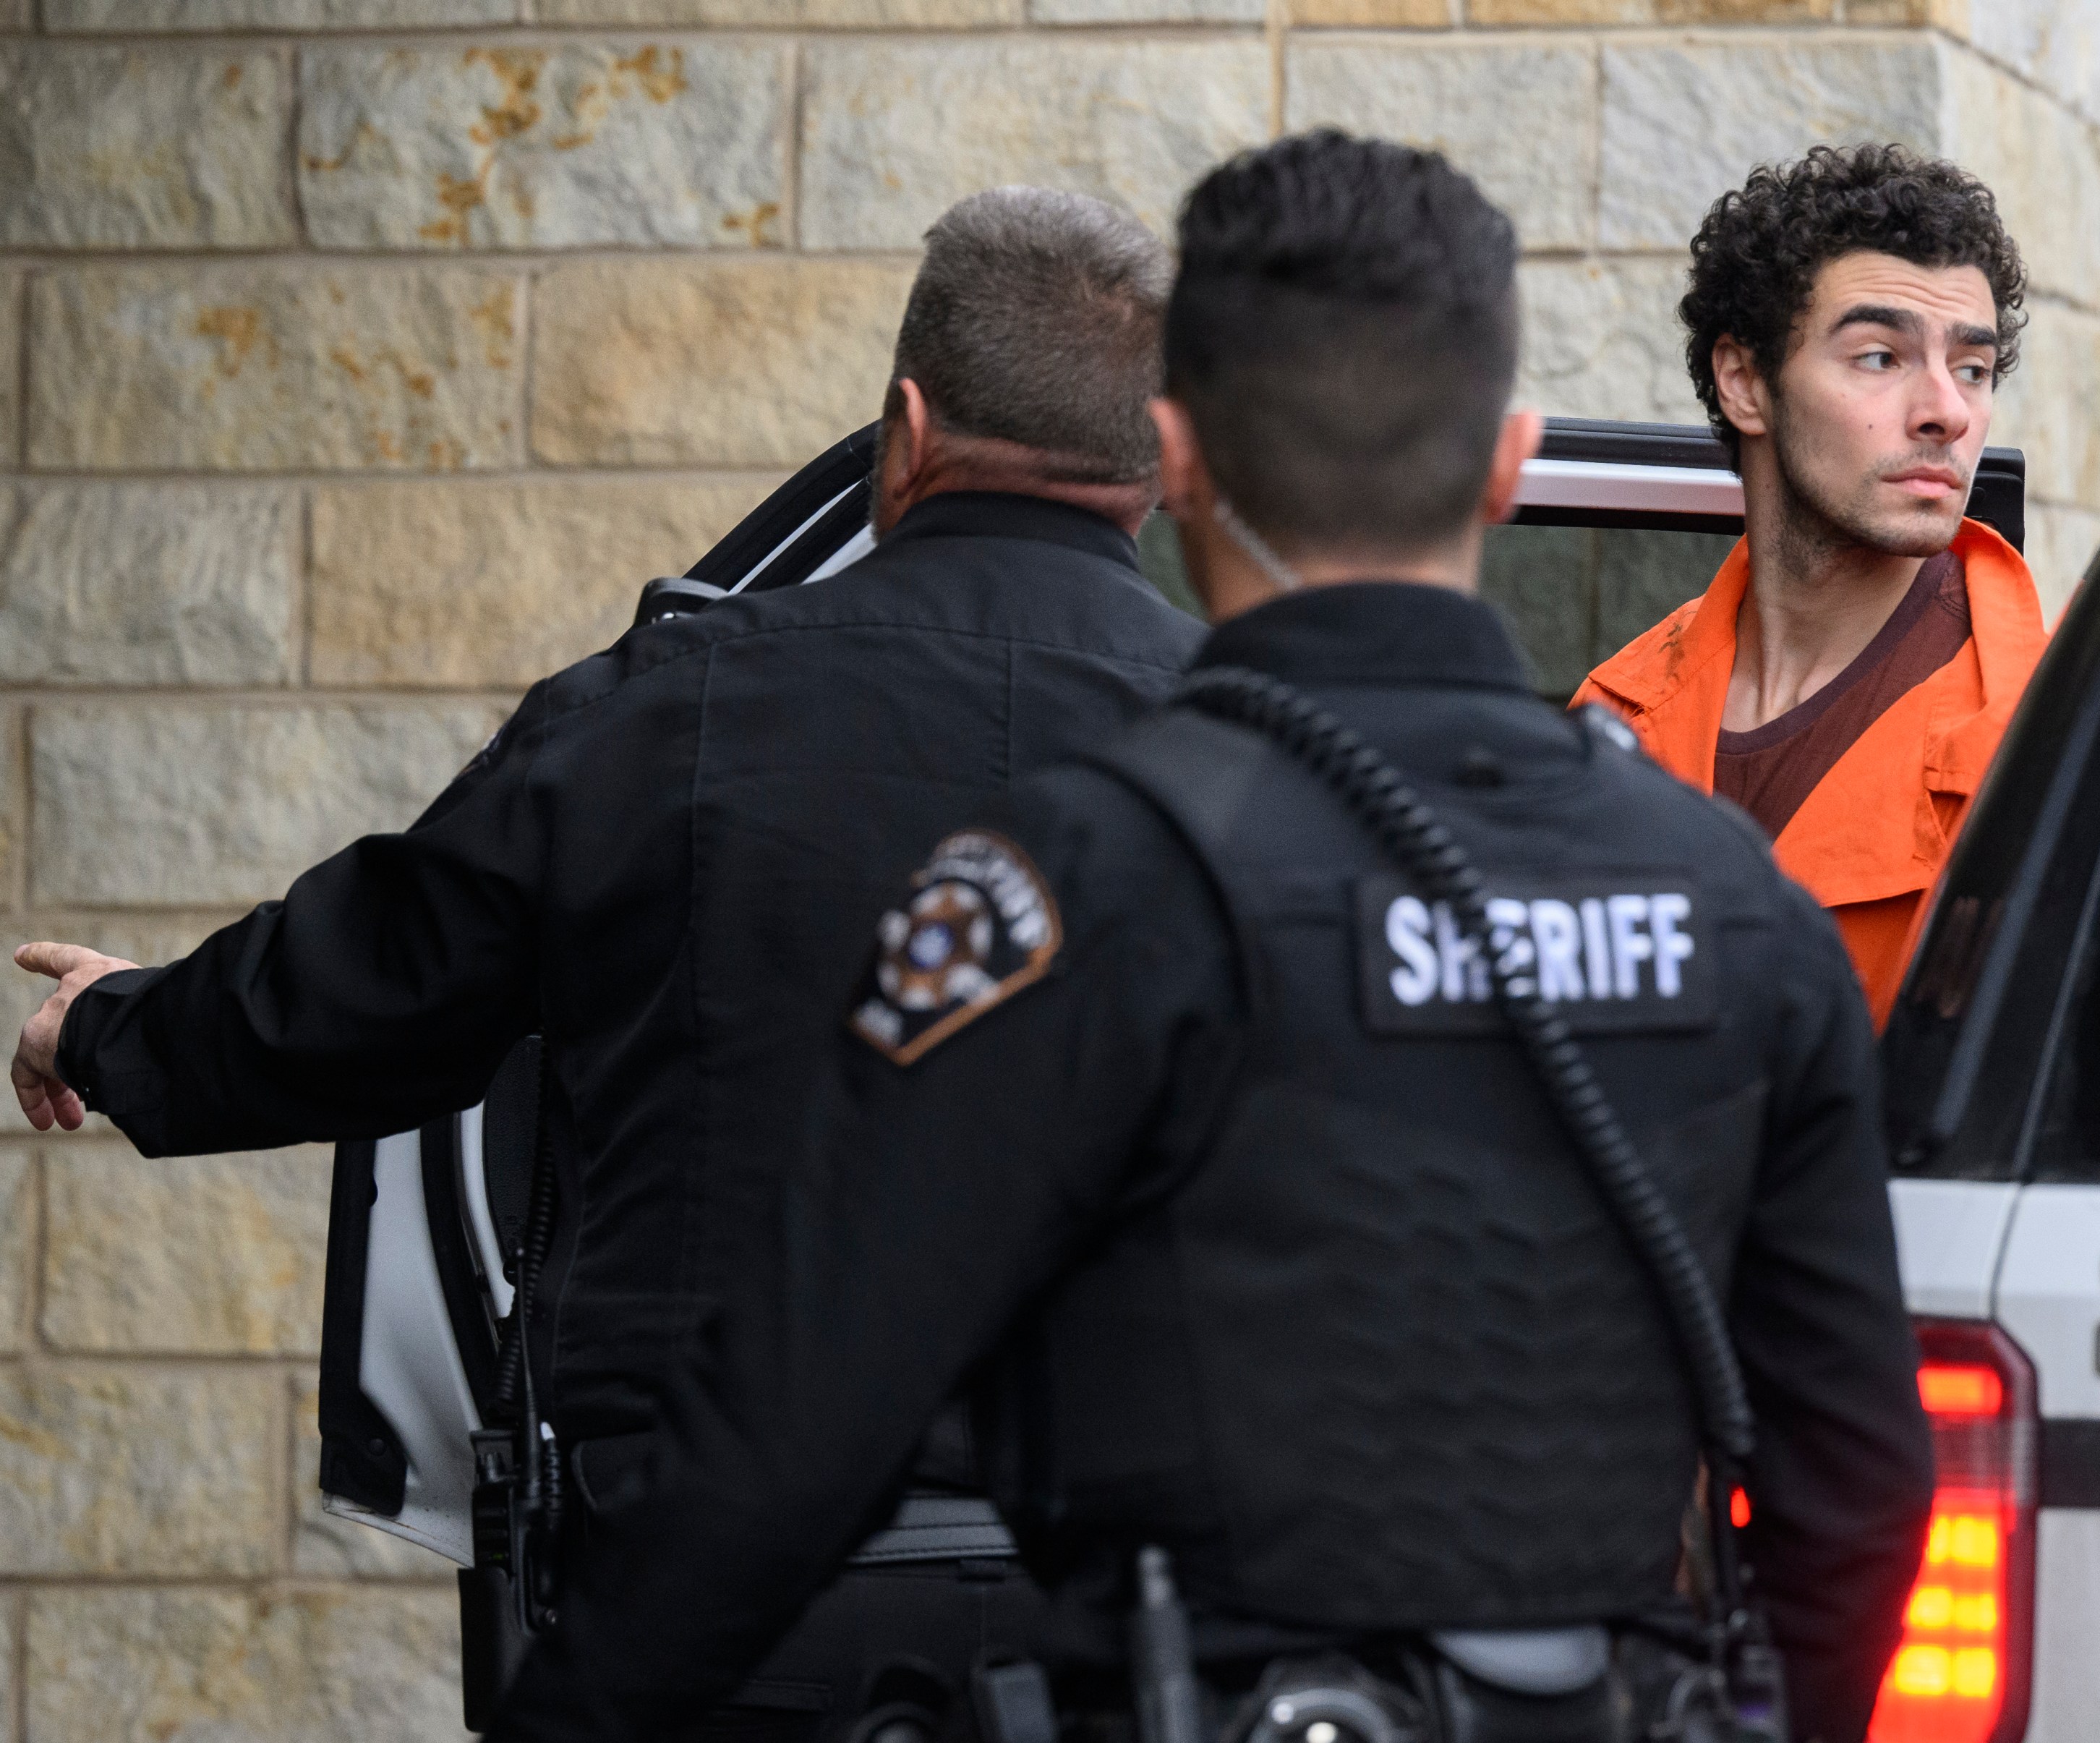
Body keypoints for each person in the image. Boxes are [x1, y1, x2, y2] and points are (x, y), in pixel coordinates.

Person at [484, 130, 1934, 1743]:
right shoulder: (1736, 902)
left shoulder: (1066, 887)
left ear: (1174, 457)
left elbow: (784, 1439)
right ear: (1508, 457)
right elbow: (1857, 1486)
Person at [10, 189, 1205, 1734]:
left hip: (707, 1620)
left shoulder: (670, 711)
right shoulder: (1272, 750)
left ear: (904, 426)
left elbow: (361, 992)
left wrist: (109, 1023)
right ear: (1158, 459)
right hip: (1143, 1630)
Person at [1573, 144, 2049, 1027]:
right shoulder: (1611, 719)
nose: (1946, 409)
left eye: (1973, 368)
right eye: (1879, 356)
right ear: (1745, 381)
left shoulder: (2052, 740)